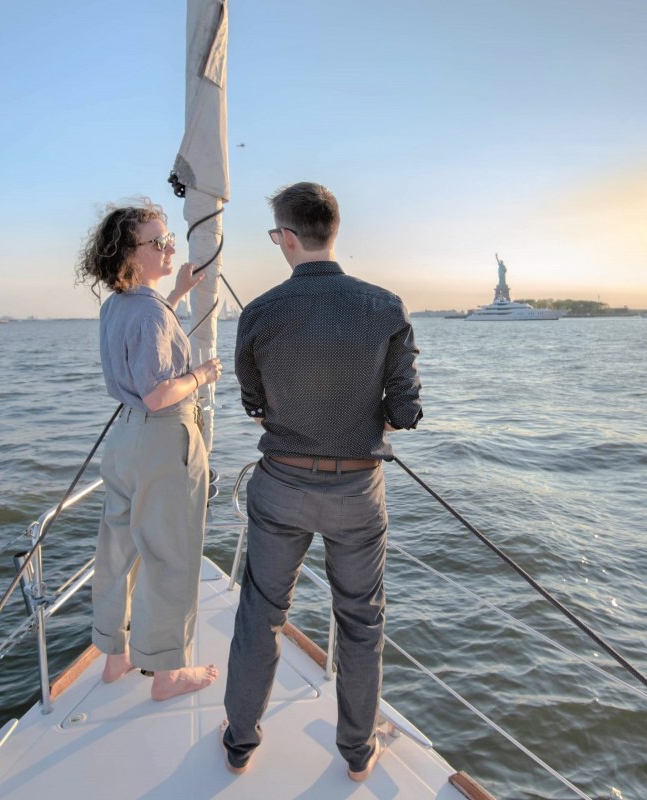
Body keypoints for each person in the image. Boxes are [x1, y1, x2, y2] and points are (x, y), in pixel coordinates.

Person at [222, 182, 423, 779]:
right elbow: (407, 412)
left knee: (261, 610)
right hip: (357, 493)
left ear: (285, 238)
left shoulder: (259, 313)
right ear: (333, 232)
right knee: (361, 622)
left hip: (281, 485)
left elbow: (254, 403)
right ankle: (358, 754)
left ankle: (239, 743)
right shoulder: (385, 307)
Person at [76, 199, 222, 700]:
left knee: (119, 549)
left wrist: (178, 291)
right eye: (157, 241)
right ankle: (166, 673)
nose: (168, 247)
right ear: (129, 254)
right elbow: (160, 391)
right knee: (171, 554)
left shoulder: (118, 306)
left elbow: (148, 334)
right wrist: (201, 374)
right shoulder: (151, 316)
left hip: (126, 440)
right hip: (164, 435)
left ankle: (114, 655)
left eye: (168, 239)